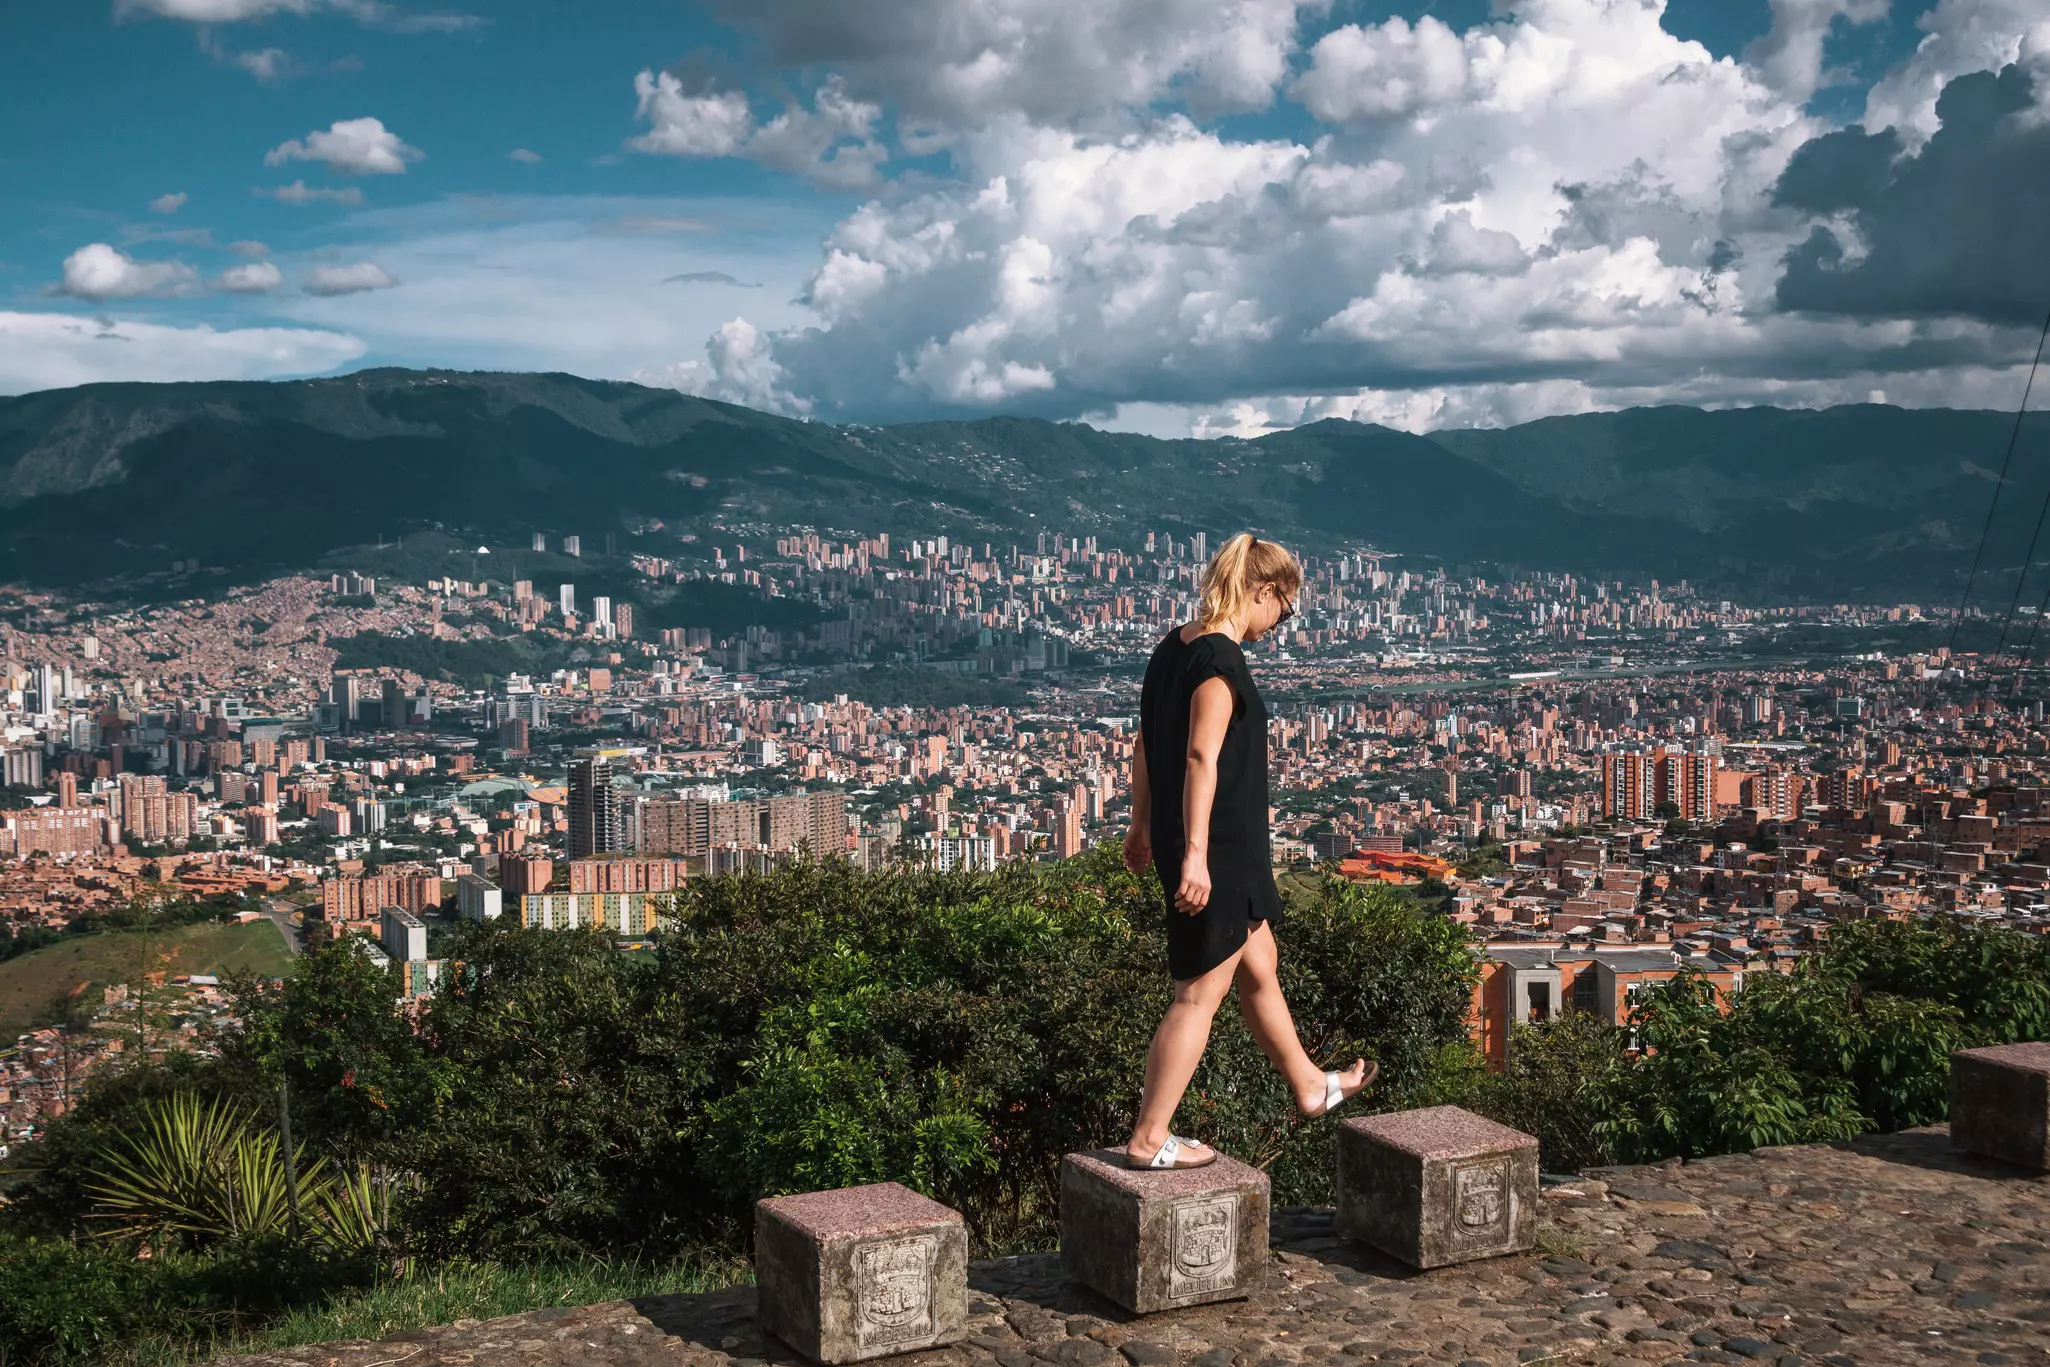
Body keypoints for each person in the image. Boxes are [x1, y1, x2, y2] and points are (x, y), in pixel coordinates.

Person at [1120, 533, 1374, 1169]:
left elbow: (1147, 744)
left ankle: (1310, 1085)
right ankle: (1150, 1137)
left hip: (1200, 839)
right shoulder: (1219, 661)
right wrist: (1196, 856)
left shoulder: (1170, 649)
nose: (1280, 625)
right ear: (1263, 591)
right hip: (1219, 846)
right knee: (1197, 994)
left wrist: (1142, 825)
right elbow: (1199, 754)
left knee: (1260, 962)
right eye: (1282, 611)